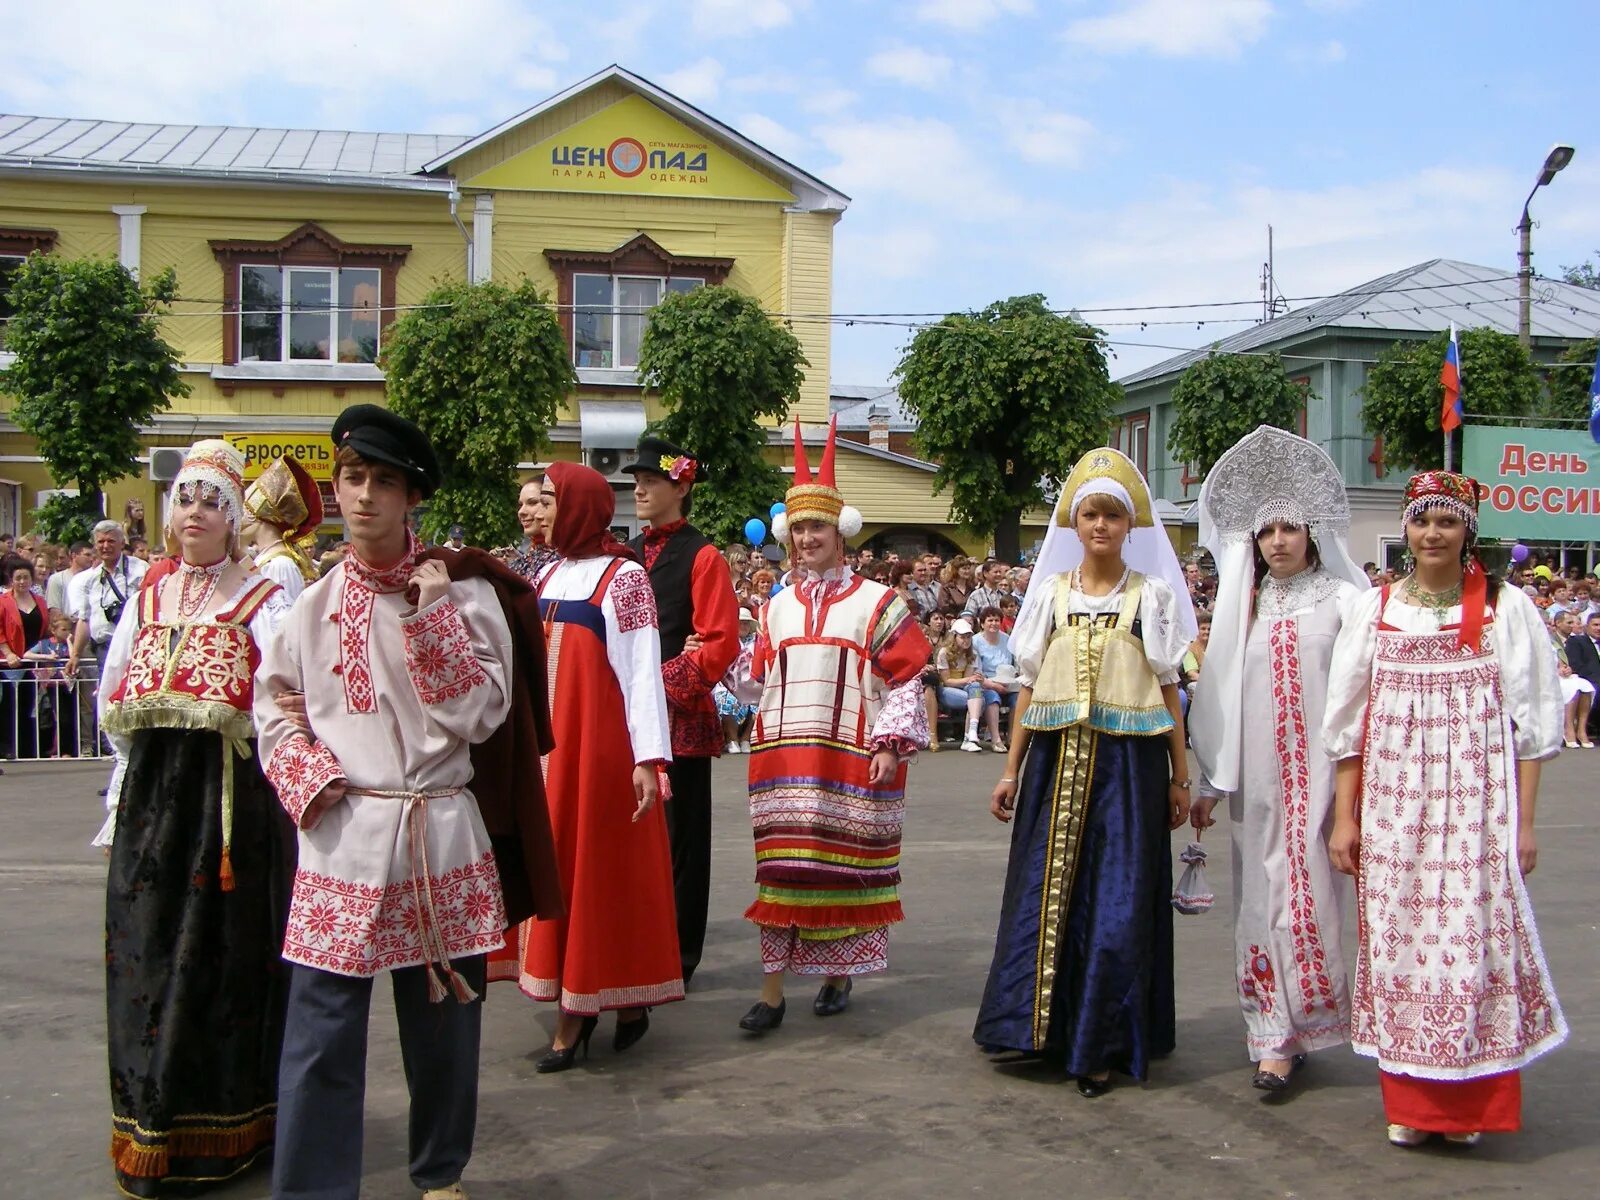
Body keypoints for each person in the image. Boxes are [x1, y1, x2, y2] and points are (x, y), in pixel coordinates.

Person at [256, 405, 530, 1200]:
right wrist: (309, 781)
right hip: (344, 830)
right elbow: (274, 706)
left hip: (438, 824)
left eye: (384, 481)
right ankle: (311, 1188)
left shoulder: (468, 598)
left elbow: (479, 715)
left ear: (413, 497)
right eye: (352, 478)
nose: (364, 495)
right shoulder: (309, 606)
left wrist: (431, 614)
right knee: (320, 1027)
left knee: (444, 1023)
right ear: (335, 488)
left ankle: (439, 1173)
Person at [1323, 470, 1566, 1149]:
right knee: (1401, 945)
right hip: (1395, 806)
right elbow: (1345, 726)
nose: (1434, 534)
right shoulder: (1373, 611)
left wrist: (1524, 823)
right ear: (1406, 528)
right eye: (1423, 521)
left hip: (1475, 808)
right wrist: (1346, 818)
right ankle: (1412, 1104)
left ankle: (1470, 1107)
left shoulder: (1503, 609)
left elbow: (1533, 725)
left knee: (1472, 943)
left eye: (1448, 522)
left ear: (1468, 533)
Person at [97, 440, 295, 1197]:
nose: (194, 515)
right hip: (153, 813)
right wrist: (120, 798)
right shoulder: (146, 602)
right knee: (142, 957)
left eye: (212, 501)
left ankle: (227, 1127)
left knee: (223, 966)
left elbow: (283, 700)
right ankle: (148, 1125)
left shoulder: (262, 600)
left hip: (229, 816)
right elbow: (112, 700)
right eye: (185, 499)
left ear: (234, 516)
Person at [974, 447, 1195, 1097]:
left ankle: (1100, 1040)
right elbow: (1029, 686)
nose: (1100, 526)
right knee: (1046, 897)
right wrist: (1009, 770)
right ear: (1075, 524)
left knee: (1118, 902)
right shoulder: (1050, 597)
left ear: (1129, 527)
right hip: (1053, 761)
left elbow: (1170, 690)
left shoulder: (1150, 598)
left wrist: (1181, 778)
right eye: (1090, 515)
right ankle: (1039, 1030)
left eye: (1112, 516)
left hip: (1129, 769)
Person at [1187, 428, 1367, 1095]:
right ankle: (1271, 1034)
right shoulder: (1249, 606)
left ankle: (1306, 1022)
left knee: (1313, 898)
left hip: (1324, 779)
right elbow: (1222, 695)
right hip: (1258, 783)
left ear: (1313, 532)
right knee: (1260, 901)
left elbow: (1364, 696)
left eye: (1291, 528)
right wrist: (1212, 779)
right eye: (1267, 532)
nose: (1279, 542)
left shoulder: (1349, 602)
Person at [736, 419, 930, 1034]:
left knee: (839, 868)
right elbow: (753, 681)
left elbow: (907, 676)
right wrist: (709, 665)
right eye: (797, 527)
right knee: (780, 870)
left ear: (840, 531)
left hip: (849, 756)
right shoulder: (773, 605)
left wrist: (891, 745)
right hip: (781, 760)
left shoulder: (878, 602)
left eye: (817, 525)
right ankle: (771, 994)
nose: (806, 537)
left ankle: (835, 975)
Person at [498, 463, 683, 1068]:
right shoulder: (548, 572)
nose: (542, 511)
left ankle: (574, 1017)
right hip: (550, 752)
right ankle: (619, 1000)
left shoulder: (624, 578)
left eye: (551, 500)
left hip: (598, 753)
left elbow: (640, 671)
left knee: (591, 874)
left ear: (579, 504)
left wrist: (647, 758)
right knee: (561, 867)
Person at [624, 435, 740, 987]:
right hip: (628, 718)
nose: (640, 488)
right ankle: (633, 941)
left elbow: (719, 644)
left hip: (678, 718)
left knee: (681, 841)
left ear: (682, 485)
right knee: (630, 833)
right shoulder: (625, 553)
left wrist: (654, 686)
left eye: (652, 480)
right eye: (638, 480)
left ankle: (678, 954)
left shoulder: (704, 556)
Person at [67, 520, 147, 790]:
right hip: (104, 649)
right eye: (100, 541)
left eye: (110, 541)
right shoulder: (90, 579)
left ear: (122, 542)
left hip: (136, 647)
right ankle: (120, 771)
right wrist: (75, 654)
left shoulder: (139, 569)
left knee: (136, 705)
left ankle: (140, 771)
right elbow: (84, 620)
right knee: (110, 707)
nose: (105, 546)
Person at [240, 454, 323, 602]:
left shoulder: (280, 565)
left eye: (243, 512)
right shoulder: (272, 561)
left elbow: (280, 622)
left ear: (256, 516)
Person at [1, 555, 48, 759]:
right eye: (18, 578)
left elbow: (45, 631)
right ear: (11, 579)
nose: (22, 582)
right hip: (8, 661)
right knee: (6, 706)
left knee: (28, 705)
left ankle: (25, 748)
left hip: (32, 661)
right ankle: (6, 746)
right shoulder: (3, 602)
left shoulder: (39, 601)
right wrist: (8, 653)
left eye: (25, 578)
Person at [24, 610, 79, 756]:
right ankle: (51, 749)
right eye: (63, 630)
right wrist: (47, 657)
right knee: (48, 717)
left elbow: (74, 656)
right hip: (49, 686)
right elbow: (27, 654)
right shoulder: (45, 644)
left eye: (69, 629)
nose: (67, 632)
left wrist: (69, 641)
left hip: (66, 685)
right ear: (53, 630)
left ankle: (66, 750)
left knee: (67, 717)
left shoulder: (70, 644)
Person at [935, 618, 993, 753]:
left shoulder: (973, 653)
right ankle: (969, 736)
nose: (966, 640)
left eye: (968, 637)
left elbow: (969, 680)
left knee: (976, 693)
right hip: (947, 690)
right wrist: (970, 680)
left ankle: (970, 734)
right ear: (954, 637)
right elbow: (947, 680)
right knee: (979, 700)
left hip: (965, 689)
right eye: (962, 637)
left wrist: (972, 680)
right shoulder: (944, 652)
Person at [972, 606, 1019, 751]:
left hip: (1008, 682)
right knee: (993, 698)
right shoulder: (975, 641)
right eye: (990, 620)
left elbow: (1015, 664)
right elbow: (977, 672)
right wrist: (993, 685)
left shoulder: (1008, 640)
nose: (993, 623)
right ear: (982, 623)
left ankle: (1013, 737)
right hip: (986, 682)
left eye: (997, 620)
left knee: (1019, 698)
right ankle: (996, 739)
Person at [715, 608, 760, 753]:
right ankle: (732, 739)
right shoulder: (727, 640)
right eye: (741, 623)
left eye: (747, 623)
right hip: (725, 683)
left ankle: (746, 738)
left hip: (750, 683)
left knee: (761, 700)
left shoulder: (756, 641)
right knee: (726, 698)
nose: (744, 626)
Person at [1550, 611, 1594, 748]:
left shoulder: (1576, 640)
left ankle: (1581, 729)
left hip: (1567, 675)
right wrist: (1557, 670)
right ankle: (1568, 728)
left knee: (1586, 685)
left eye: (1574, 623)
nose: (1572, 626)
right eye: (1569, 623)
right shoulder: (1549, 640)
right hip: (1552, 677)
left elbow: (1573, 662)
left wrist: (1569, 669)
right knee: (1573, 687)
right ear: (1558, 623)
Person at [504, 478, 559, 584]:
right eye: (520, 504)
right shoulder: (531, 556)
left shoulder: (567, 560)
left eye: (532, 503)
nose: (521, 512)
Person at [1565, 611, 1600, 743]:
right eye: (1595, 625)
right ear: (1587, 627)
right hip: (1589, 680)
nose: (1598, 628)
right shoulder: (1577, 642)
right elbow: (1576, 664)